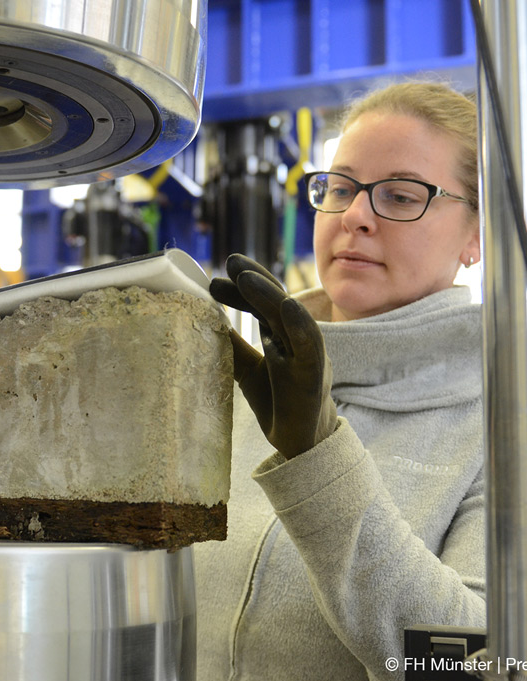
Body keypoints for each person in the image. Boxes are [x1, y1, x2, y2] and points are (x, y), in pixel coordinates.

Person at [195, 81, 485, 680]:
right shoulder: (249, 384)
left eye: (402, 196)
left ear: (477, 236)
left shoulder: (510, 429)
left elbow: (474, 661)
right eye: (341, 187)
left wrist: (319, 459)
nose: (354, 216)